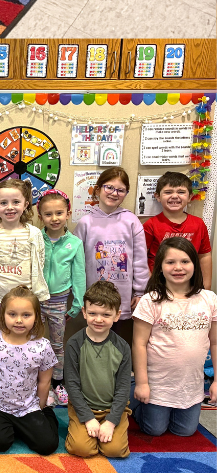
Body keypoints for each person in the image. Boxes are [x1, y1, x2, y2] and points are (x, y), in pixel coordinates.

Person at [131, 237, 217, 438]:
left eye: (185, 261)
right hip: (157, 384)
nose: (178, 267)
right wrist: (143, 383)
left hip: (190, 386)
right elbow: (139, 344)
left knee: (185, 431)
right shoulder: (150, 301)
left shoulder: (209, 299)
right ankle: (133, 395)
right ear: (160, 267)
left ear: (195, 265)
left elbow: (215, 341)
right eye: (170, 262)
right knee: (155, 429)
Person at [0, 285, 60, 455]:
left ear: (36, 317)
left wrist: (40, 408)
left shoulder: (42, 346)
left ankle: (48, 414)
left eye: (26, 315)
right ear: (3, 315)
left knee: (47, 446)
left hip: (26, 406)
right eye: (12, 314)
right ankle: (4, 425)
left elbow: (44, 381)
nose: (19, 320)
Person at [74, 166, 148, 344]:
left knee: (118, 340)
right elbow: (77, 262)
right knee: (94, 337)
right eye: (109, 187)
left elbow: (139, 259)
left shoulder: (131, 221)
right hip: (93, 295)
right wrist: (79, 293)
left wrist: (139, 291)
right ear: (98, 189)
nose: (114, 193)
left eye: (121, 190)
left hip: (124, 295)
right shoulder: (85, 222)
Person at [63, 280, 132, 459]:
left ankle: (109, 430)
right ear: (84, 312)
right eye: (93, 313)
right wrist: (87, 418)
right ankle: (89, 431)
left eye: (106, 314)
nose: (99, 319)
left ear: (117, 315)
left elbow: (124, 387)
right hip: (83, 407)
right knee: (81, 449)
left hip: (113, 409)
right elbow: (71, 384)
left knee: (114, 451)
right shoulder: (74, 344)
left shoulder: (123, 347)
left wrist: (111, 421)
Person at [0, 177, 49, 332]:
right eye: (3, 203)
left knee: (24, 340)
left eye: (16, 202)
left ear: (26, 204)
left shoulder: (33, 233)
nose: (10, 207)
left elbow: (39, 264)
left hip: (25, 301)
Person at [38, 189, 85, 404]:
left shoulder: (74, 243)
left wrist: (77, 304)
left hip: (59, 302)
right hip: (35, 301)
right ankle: (35, 382)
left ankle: (57, 382)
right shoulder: (35, 239)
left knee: (57, 345)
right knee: (32, 342)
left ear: (68, 213)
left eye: (59, 213)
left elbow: (79, 274)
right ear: (40, 217)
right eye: (48, 214)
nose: (54, 218)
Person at [142, 172, 212, 288]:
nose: (174, 196)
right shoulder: (151, 225)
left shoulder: (198, 224)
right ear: (158, 196)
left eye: (181, 192)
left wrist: (206, 287)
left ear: (190, 197)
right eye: (168, 192)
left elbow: (204, 256)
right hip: (159, 286)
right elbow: (141, 257)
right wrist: (150, 285)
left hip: (190, 285)